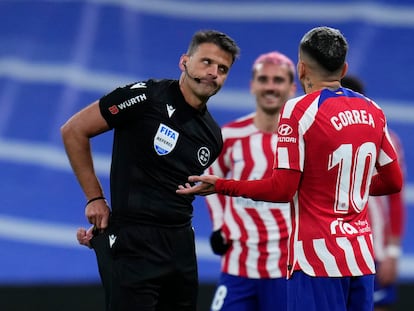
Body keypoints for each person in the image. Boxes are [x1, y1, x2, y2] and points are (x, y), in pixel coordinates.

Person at [176, 26, 403, 311]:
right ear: (343, 67)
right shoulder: (373, 110)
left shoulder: (299, 111)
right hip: (360, 257)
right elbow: (393, 182)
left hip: (316, 261)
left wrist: (221, 185)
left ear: (301, 69)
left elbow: (282, 190)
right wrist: (341, 187)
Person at [61, 29, 240, 311]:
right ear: (184, 61)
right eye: (206, 62)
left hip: (181, 247)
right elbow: (74, 131)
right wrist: (95, 199)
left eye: (222, 69)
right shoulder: (146, 97)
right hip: (134, 243)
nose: (213, 73)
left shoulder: (213, 137)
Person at [206, 51, 296, 311]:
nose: (270, 86)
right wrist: (219, 225)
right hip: (238, 264)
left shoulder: (304, 139)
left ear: (291, 88)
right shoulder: (229, 136)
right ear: (252, 85)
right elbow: (212, 182)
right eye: (264, 79)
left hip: (287, 268)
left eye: (278, 80)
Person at [341, 75, 406, 311]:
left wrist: (392, 252)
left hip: (373, 248)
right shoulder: (315, 135)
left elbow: (395, 199)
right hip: (332, 247)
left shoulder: (386, 138)